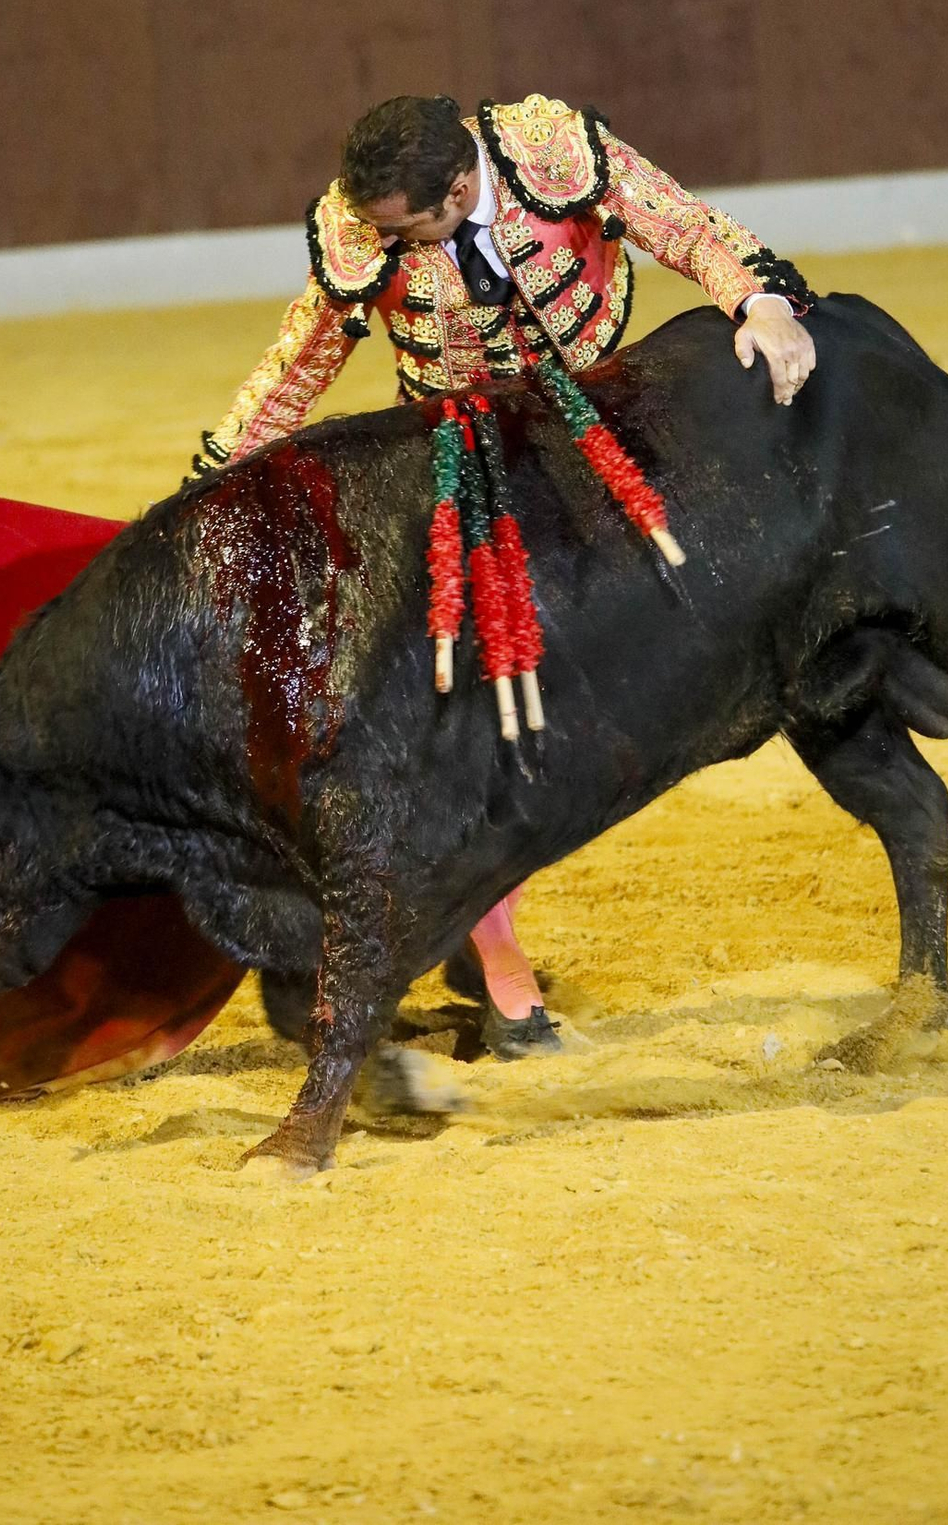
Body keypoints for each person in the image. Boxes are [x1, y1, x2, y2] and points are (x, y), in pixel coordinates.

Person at [196, 92, 816, 1051]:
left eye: (403, 228)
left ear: (458, 186)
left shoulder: (547, 151)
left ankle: (476, 923)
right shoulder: (359, 228)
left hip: (612, 405)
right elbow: (304, 358)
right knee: (477, 708)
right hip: (459, 446)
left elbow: (676, 221)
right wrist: (212, 477)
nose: (383, 244)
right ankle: (502, 971)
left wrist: (759, 300)